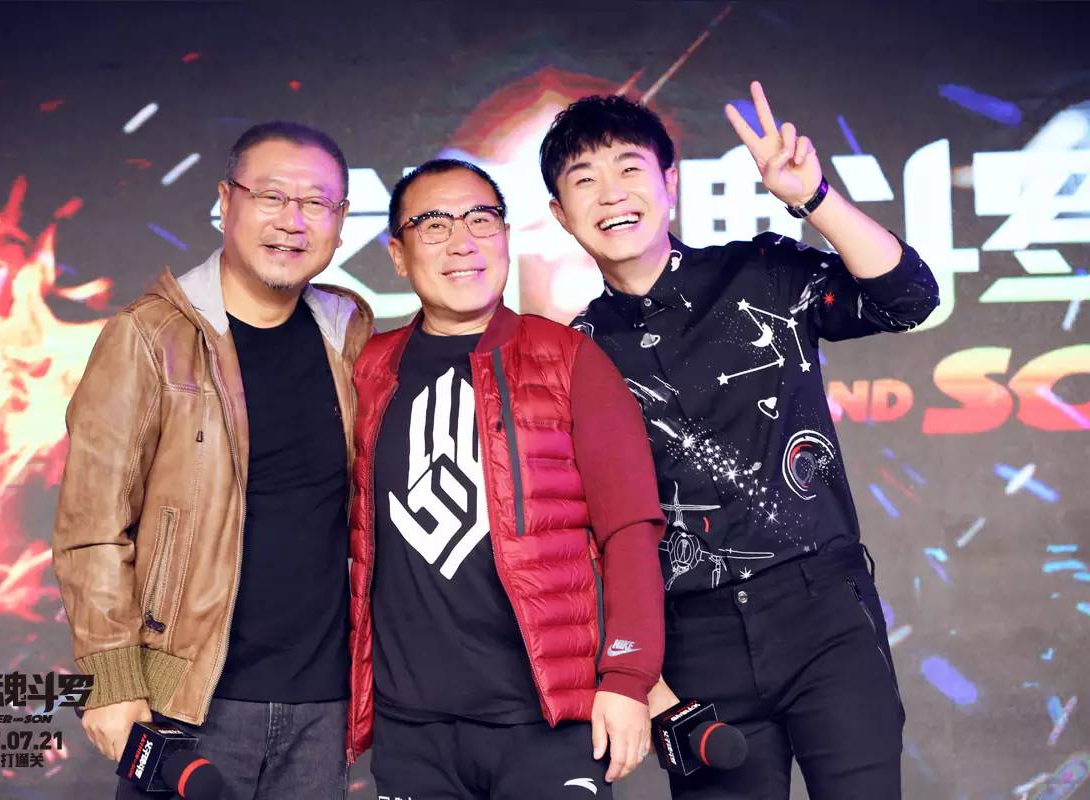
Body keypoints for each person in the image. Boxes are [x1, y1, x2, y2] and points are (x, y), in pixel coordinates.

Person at [540, 84, 940, 798]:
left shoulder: (760, 272)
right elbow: (585, 532)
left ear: (670, 183)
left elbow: (909, 299)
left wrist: (813, 197)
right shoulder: (575, 355)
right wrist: (645, 679)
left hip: (822, 614)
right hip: (693, 644)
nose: (611, 193)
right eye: (584, 180)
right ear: (559, 214)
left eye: (629, 168)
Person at [52, 121, 373, 799]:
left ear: (341, 220)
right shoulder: (149, 337)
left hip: (322, 710)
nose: (293, 221)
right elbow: (91, 526)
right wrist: (111, 680)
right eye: (272, 196)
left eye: (316, 203)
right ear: (226, 201)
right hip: (189, 701)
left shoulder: (347, 331)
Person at [345, 158, 666, 799]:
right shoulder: (367, 370)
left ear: (506, 237)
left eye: (480, 220)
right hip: (412, 731)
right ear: (398, 255)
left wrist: (629, 678)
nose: (462, 242)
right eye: (434, 225)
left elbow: (631, 528)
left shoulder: (569, 359)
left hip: (546, 721)